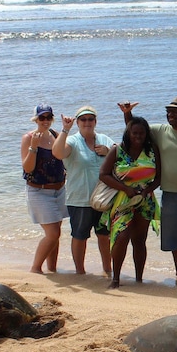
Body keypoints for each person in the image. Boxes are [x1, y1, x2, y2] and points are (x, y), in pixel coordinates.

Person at [119, 97, 177, 281]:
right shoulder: (160, 131)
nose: (170, 114)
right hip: (169, 195)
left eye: (176, 111)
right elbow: (134, 129)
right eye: (168, 111)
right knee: (174, 237)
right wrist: (127, 113)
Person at [98, 116, 161, 288]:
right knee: (121, 236)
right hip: (123, 199)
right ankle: (116, 279)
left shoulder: (152, 150)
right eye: (134, 133)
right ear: (128, 133)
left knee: (139, 240)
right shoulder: (117, 150)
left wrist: (147, 191)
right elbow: (103, 174)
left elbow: (159, 178)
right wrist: (125, 189)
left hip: (145, 200)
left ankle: (139, 279)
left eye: (141, 133)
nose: (138, 136)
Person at [52, 105, 114, 275]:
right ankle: (80, 272)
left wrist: (108, 151)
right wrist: (65, 129)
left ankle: (108, 270)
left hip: (103, 200)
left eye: (90, 119)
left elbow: (121, 156)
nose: (87, 122)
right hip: (79, 200)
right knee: (80, 236)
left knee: (104, 236)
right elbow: (57, 153)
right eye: (83, 119)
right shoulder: (73, 140)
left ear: (95, 121)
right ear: (78, 122)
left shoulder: (103, 139)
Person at [21, 104, 68, 274]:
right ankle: (35, 268)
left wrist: (66, 130)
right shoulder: (28, 137)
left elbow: (64, 156)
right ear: (36, 119)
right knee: (52, 233)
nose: (45, 121)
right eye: (42, 118)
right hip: (38, 191)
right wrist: (33, 146)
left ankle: (52, 269)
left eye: (49, 117)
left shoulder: (56, 135)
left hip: (59, 189)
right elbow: (27, 168)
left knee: (57, 233)